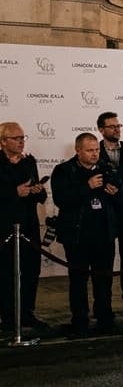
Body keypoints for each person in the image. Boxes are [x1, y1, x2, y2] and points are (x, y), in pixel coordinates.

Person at [52, 132, 123, 336]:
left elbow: (121, 199)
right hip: (77, 235)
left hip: (104, 234)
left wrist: (116, 194)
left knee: (104, 280)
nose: (94, 154)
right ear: (78, 150)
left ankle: (105, 318)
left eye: (96, 150)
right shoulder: (64, 170)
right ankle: (80, 321)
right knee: (78, 281)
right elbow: (61, 200)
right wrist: (87, 187)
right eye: (89, 150)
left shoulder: (107, 168)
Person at [0, 122, 49, 332]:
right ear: (3, 141)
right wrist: (14, 193)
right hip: (4, 228)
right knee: (6, 273)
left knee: (31, 270)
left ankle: (27, 312)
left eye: (23, 138)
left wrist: (37, 190)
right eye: (16, 138)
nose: (21, 142)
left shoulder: (29, 162)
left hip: (29, 227)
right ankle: (9, 317)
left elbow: (40, 196)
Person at [97, 112, 123, 313]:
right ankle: (102, 306)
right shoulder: (94, 150)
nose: (116, 129)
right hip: (103, 214)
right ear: (101, 129)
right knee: (103, 261)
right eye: (111, 126)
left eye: (118, 125)